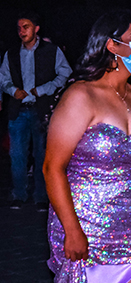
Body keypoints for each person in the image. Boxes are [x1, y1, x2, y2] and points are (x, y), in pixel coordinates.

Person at [43, 10, 131, 283]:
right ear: (112, 45)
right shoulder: (81, 96)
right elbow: (53, 167)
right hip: (89, 230)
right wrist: (72, 230)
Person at [0, 11, 72, 211]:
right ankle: (19, 195)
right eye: (19, 28)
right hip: (18, 110)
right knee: (17, 155)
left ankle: (41, 196)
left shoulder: (51, 50)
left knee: (42, 154)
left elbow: (65, 72)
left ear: (36, 28)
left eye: (26, 27)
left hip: (41, 111)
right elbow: (3, 77)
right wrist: (13, 90)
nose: (22, 31)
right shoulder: (12, 53)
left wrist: (43, 89)